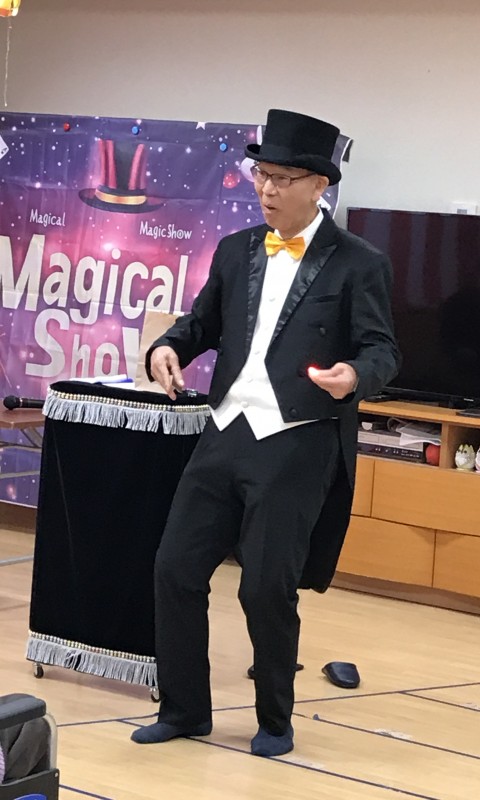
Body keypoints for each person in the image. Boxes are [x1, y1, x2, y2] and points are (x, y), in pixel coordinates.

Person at [130, 108, 400, 757]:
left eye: (282, 178)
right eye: (261, 176)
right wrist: (168, 347)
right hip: (225, 430)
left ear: (319, 185)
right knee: (174, 568)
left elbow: (383, 350)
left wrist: (353, 376)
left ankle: (275, 719)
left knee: (264, 586)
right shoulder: (237, 249)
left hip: (298, 439)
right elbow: (201, 323)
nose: (267, 189)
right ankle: (184, 710)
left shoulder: (358, 262)